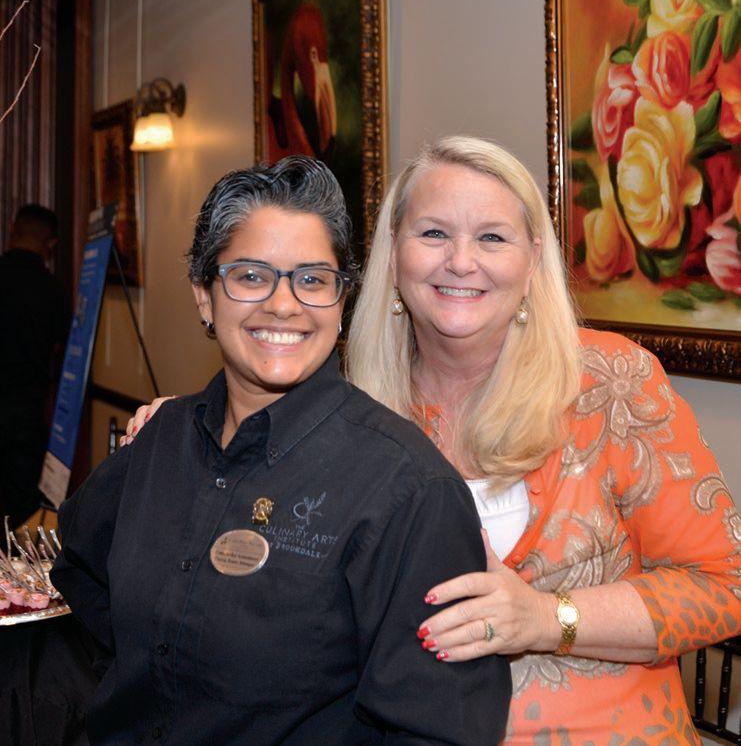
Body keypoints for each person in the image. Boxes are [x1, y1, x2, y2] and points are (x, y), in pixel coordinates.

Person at [129, 137, 740, 744]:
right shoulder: (342, 401)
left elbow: (727, 586)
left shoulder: (612, 382)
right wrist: (186, 422)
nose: (461, 262)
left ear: (532, 260)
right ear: (393, 255)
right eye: (433, 234)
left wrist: (547, 618)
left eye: (492, 237)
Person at [51, 156, 511, 745]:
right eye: (250, 276)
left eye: (312, 280)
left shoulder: (409, 492)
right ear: (204, 296)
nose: (283, 304)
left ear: (340, 302)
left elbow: (440, 729)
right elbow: (81, 571)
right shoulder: (160, 440)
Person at [0, 203, 70, 528]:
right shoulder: (53, 290)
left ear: (12, 230)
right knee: (21, 510)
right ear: (50, 243)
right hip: (26, 416)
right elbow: (65, 352)